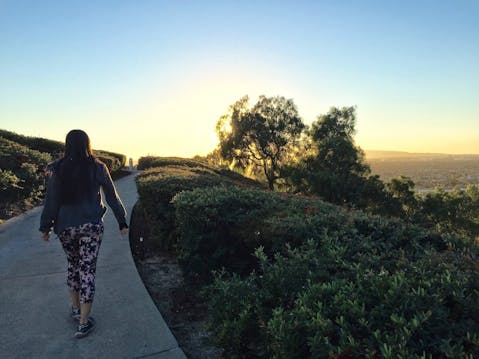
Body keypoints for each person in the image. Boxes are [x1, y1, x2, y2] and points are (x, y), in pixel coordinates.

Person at [39, 129, 128, 338]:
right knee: (87, 270)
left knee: (73, 265)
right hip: (91, 227)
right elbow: (112, 197)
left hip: (66, 228)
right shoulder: (97, 167)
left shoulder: (58, 169)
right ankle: (83, 323)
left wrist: (45, 227)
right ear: (88, 144)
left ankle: (76, 309)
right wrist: (122, 221)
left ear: (67, 145)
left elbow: (51, 201)